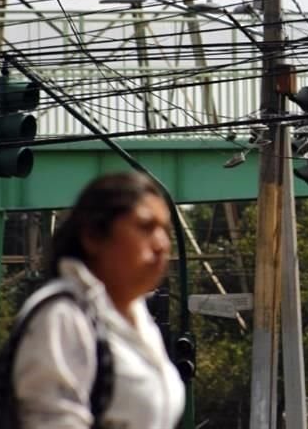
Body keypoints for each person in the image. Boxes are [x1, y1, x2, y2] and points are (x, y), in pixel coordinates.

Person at [12, 171, 185, 428]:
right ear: (93, 236)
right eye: (146, 227)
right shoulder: (63, 317)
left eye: (166, 231)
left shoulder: (136, 317)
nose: (161, 244)